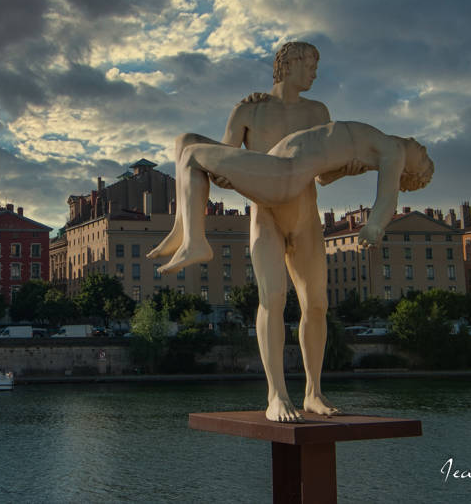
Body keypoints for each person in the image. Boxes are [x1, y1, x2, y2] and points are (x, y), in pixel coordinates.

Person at [150, 118, 433, 422]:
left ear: (408, 170)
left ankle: (313, 393)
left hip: (286, 179)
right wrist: (344, 168)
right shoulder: (377, 144)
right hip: (277, 175)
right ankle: (277, 395)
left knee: (316, 304)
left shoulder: (393, 150)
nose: (421, 146)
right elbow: (323, 178)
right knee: (186, 143)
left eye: (425, 159)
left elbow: (388, 196)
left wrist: (375, 224)